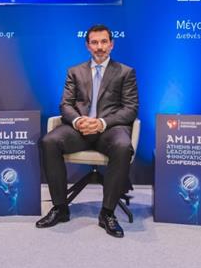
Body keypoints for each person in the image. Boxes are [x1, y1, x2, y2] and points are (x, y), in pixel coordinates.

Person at [36, 24, 138, 237]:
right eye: (94, 42)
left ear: (112, 44)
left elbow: (130, 109)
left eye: (104, 42)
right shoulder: (74, 71)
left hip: (109, 129)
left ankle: (107, 213)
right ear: (87, 46)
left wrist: (101, 123)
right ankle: (60, 208)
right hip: (79, 130)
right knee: (49, 142)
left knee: (123, 146)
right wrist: (77, 120)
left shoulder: (125, 72)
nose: (99, 47)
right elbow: (65, 105)